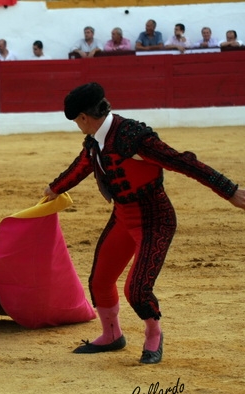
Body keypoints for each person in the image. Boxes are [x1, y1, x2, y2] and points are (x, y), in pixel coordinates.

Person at [43, 82, 245, 364]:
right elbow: (83, 165)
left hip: (155, 219)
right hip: (123, 217)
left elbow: (182, 162)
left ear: (84, 118)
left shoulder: (134, 137)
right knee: (99, 281)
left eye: (77, 120)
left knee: (136, 290)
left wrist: (229, 190)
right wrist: (55, 188)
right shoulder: (95, 141)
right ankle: (112, 335)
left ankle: (153, 334)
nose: (78, 125)